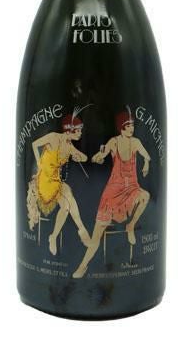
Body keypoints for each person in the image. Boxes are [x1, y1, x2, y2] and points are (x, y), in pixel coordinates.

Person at [73, 108, 151, 279]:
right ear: (121, 127)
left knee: (145, 196)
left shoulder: (136, 142)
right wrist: (98, 158)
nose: (132, 128)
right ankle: (82, 265)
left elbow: (147, 155)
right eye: (128, 126)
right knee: (97, 233)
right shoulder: (114, 142)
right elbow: (101, 154)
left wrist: (146, 163)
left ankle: (131, 226)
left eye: (132, 125)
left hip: (131, 188)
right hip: (113, 191)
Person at [29, 114, 90, 256]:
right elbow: (34, 144)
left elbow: (84, 157)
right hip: (44, 180)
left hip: (56, 180)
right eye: (78, 131)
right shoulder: (53, 137)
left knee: (68, 200)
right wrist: (38, 163)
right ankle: (80, 230)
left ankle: (57, 236)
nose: (81, 133)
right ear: (69, 131)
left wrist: (79, 157)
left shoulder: (69, 145)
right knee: (67, 200)